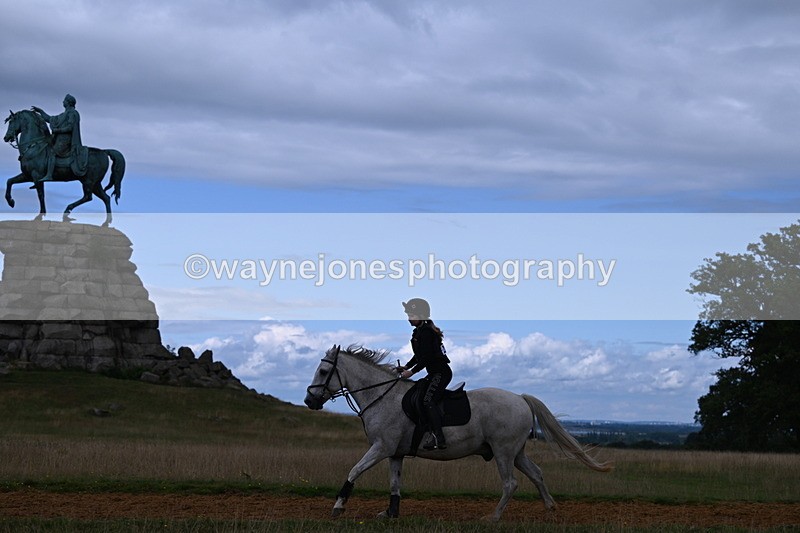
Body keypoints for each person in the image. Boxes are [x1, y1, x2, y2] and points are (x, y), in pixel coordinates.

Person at [398, 298, 452, 450]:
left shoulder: (427, 333)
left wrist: (411, 372)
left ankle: (439, 438)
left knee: (428, 400)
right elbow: (419, 356)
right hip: (433, 373)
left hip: (441, 373)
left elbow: (427, 358)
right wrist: (406, 366)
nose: (409, 319)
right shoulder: (419, 332)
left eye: (412, 315)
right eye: (408, 315)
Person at [30, 94, 88, 187]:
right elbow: (50, 119)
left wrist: (58, 130)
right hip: (59, 139)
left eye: (64, 100)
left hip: (66, 140)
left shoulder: (73, 113)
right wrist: (41, 111)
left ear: (68, 102)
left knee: (52, 152)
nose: (63, 102)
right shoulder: (63, 115)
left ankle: (49, 175)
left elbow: (70, 127)